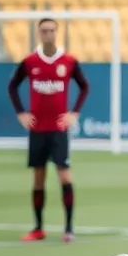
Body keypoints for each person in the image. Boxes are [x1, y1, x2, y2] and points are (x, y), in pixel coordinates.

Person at [8, 17, 89, 243]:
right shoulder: (30, 61)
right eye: (44, 30)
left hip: (58, 130)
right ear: (38, 33)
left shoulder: (69, 61)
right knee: (38, 179)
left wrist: (74, 113)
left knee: (64, 176)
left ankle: (69, 229)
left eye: (52, 30)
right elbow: (13, 85)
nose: (48, 34)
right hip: (37, 130)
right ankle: (38, 228)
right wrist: (21, 112)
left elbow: (84, 86)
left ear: (57, 32)